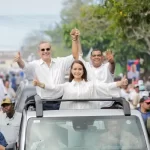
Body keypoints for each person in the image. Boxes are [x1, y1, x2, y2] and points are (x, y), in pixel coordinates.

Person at [14, 28, 80, 110]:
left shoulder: (60, 62)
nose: (45, 51)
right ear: (39, 52)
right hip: (44, 104)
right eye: (43, 49)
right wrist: (19, 61)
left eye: (47, 49)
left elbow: (75, 56)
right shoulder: (35, 65)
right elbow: (24, 66)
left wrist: (74, 39)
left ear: (50, 50)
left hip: (61, 102)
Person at [33, 60, 128, 109]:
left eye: (80, 69)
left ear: (83, 71)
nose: (77, 71)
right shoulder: (66, 86)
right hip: (70, 123)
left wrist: (120, 83)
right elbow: (54, 88)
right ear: (71, 71)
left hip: (89, 121)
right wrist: (40, 84)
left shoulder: (91, 85)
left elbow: (106, 87)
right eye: (75, 69)